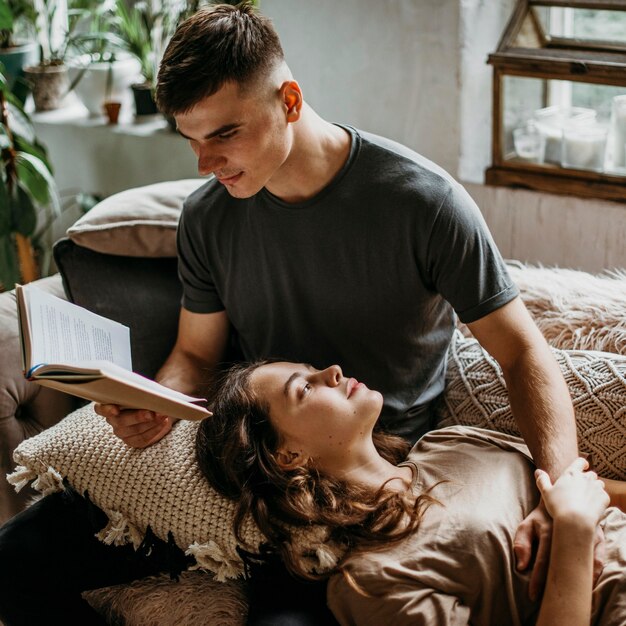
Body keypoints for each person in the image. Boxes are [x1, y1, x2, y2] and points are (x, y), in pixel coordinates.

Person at [0, 3, 592, 625]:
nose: (205, 163)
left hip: (350, 474)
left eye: (225, 134)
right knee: (13, 562)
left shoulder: (425, 203)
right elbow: (196, 355)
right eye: (192, 140)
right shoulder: (208, 216)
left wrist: (557, 493)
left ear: (288, 98)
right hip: (242, 455)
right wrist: (155, 398)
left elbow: (523, 351)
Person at [196, 359, 625, 626]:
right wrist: (571, 531)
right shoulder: (370, 581)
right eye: (305, 387)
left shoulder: (452, 443)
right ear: (288, 456)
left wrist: (576, 512)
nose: (331, 371)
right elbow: (577, 511)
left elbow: (595, 494)